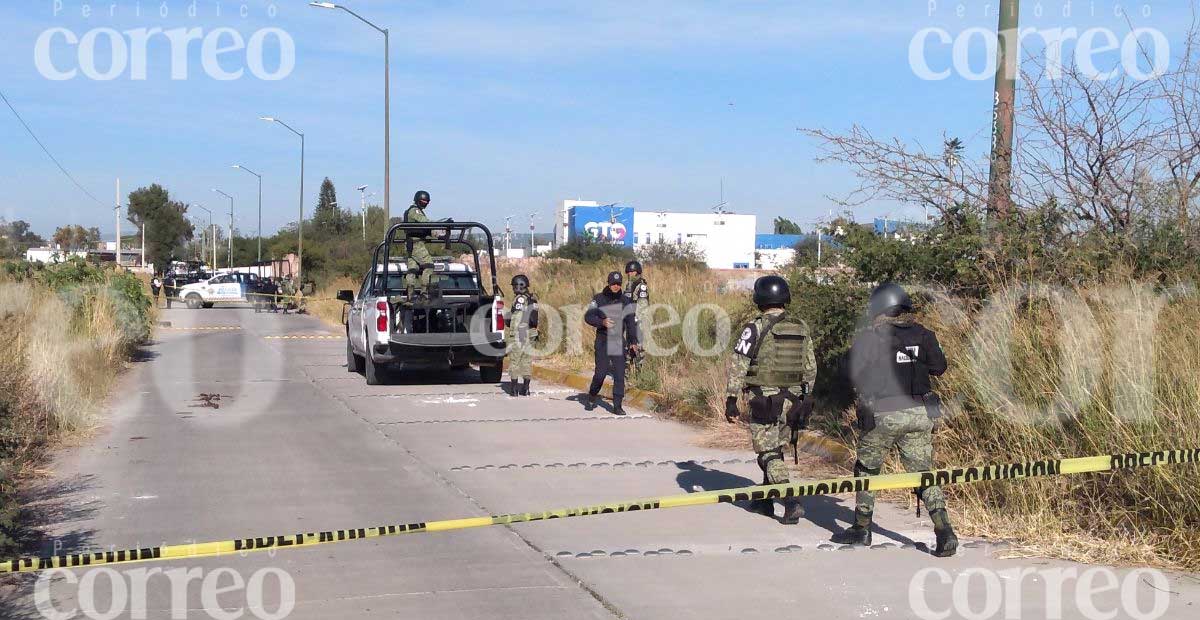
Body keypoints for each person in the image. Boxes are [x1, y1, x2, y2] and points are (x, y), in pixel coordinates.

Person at [832, 282, 957, 557]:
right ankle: (944, 529)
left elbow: (847, 372)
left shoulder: (871, 337)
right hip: (920, 413)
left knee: (867, 472)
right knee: (924, 473)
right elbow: (940, 368)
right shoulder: (924, 334)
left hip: (884, 414)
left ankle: (862, 528)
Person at [723, 275, 815, 524]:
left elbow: (738, 365)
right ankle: (764, 502)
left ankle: (790, 501)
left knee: (767, 453)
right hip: (794, 401)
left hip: (765, 400)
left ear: (759, 298)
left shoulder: (754, 327)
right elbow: (811, 369)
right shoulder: (801, 327)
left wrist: (731, 398)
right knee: (776, 451)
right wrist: (804, 397)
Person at [583, 271, 639, 415]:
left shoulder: (626, 301)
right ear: (608, 283)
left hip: (618, 341)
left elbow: (631, 323)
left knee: (619, 374)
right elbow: (588, 317)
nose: (616, 286)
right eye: (613, 283)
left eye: (618, 284)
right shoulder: (599, 299)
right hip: (602, 339)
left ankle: (617, 405)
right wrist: (601, 322)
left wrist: (633, 341)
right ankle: (592, 395)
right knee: (600, 374)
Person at [505, 274, 539, 396]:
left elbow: (517, 317)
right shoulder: (532, 298)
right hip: (531, 334)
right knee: (527, 361)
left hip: (520, 334)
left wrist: (512, 333)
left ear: (520, 286)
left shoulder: (520, 299)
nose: (513, 288)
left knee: (515, 361)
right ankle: (526, 388)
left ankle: (514, 390)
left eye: (514, 286)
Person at [402, 190, 436, 296]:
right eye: (423, 201)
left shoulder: (414, 210)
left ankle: (410, 295)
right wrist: (440, 224)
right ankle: (424, 293)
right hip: (416, 244)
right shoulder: (415, 211)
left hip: (411, 244)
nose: (425, 203)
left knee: (413, 269)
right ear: (418, 200)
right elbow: (424, 222)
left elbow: (423, 227)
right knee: (429, 265)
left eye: (427, 201)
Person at [623, 260, 649, 367]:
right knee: (627, 346)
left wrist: (635, 319)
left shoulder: (641, 286)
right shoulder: (628, 286)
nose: (628, 274)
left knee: (638, 347)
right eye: (628, 272)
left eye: (630, 271)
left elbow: (643, 306)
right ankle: (627, 372)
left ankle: (639, 374)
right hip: (628, 320)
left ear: (636, 272)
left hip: (638, 322)